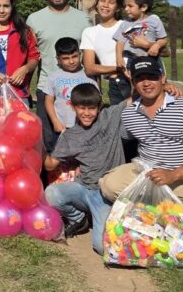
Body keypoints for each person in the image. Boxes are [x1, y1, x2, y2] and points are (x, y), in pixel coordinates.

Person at [99, 57, 183, 230]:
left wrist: (173, 175)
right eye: (140, 78)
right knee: (109, 185)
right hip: (147, 174)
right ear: (133, 83)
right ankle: (160, 213)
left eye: (152, 77)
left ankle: (159, 212)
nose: (146, 83)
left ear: (163, 79)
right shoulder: (130, 114)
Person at [44, 84, 126, 254]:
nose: (87, 113)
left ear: (99, 107)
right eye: (82, 108)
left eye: (91, 108)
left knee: (101, 247)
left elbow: (134, 98)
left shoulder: (110, 116)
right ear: (72, 107)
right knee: (52, 193)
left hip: (106, 193)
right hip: (84, 188)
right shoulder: (70, 136)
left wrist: (165, 86)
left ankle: (102, 218)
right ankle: (79, 219)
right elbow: (50, 164)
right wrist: (37, 147)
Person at [27, 0, 90, 149]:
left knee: (80, 140)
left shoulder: (84, 19)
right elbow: (31, 57)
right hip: (47, 89)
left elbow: (91, 57)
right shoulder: (34, 19)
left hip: (79, 88)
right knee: (48, 142)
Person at [80, 0, 131, 105]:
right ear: (97, 3)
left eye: (111, 2)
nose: (106, 5)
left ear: (118, 7)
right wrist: (120, 68)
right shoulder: (89, 32)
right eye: (102, 0)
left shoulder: (126, 26)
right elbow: (89, 68)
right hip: (115, 85)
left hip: (137, 80)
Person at [114, 0, 168, 75]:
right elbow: (120, 43)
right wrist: (119, 58)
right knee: (133, 80)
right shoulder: (125, 23)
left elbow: (163, 39)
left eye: (130, 6)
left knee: (156, 79)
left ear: (143, 7)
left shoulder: (154, 21)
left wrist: (157, 45)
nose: (126, 9)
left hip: (151, 57)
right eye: (125, 6)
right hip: (131, 59)